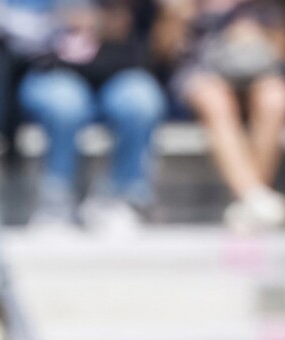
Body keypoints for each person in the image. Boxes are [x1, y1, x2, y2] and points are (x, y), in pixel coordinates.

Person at [13, 2, 170, 229]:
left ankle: (127, 198)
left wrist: (105, 20)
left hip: (117, 65)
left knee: (141, 100)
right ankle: (56, 201)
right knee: (66, 104)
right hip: (49, 68)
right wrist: (55, 21)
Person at [162, 0, 285, 227]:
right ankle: (254, 197)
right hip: (201, 75)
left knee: (276, 97)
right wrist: (174, 18)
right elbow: (163, 52)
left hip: (258, 72)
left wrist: (258, 37)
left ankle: (249, 200)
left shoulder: (265, 7)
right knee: (213, 99)